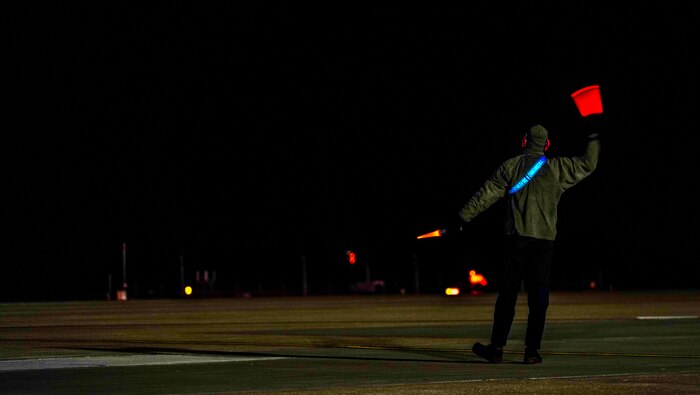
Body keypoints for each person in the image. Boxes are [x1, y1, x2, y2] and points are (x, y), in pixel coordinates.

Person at [455, 123, 601, 364]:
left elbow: (486, 194)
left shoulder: (511, 166)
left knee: (508, 294)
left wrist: (461, 217)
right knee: (539, 296)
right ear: (547, 145)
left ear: (524, 142)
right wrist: (593, 137)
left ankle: (497, 347)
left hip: (517, 239)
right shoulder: (557, 169)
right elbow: (588, 164)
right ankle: (532, 351)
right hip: (545, 242)